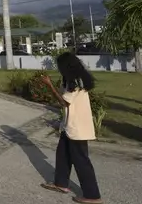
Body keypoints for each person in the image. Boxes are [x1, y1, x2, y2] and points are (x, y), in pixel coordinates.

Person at [40, 52, 103, 204]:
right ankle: (61, 184)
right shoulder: (73, 79)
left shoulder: (75, 82)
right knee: (62, 155)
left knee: (81, 161)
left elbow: (64, 103)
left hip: (77, 128)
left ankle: (93, 196)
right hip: (69, 126)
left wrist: (49, 86)